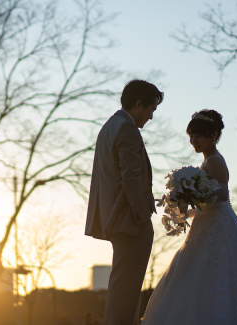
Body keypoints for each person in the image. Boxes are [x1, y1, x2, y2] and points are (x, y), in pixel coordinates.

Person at [141, 109, 237, 324]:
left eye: (198, 136)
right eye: (191, 136)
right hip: (207, 223)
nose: (193, 141)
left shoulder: (215, 160)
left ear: (213, 134)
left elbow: (223, 194)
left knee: (215, 274)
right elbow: (206, 203)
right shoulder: (207, 162)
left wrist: (192, 193)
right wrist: (186, 204)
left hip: (218, 226)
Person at [85, 79, 164, 325]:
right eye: (151, 109)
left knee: (122, 285)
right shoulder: (127, 129)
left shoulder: (109, 126)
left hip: (115, 219)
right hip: (130, 220)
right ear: (138, 104)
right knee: (127, 289)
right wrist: (142, 216)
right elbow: (131, 177)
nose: (151, 116)